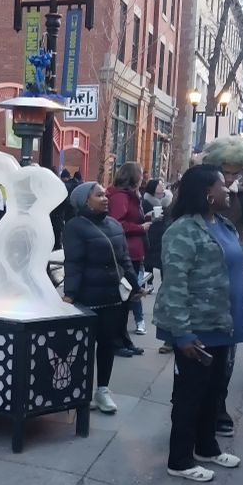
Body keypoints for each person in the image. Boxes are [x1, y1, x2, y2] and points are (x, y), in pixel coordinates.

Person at [152, 164, 243, 482]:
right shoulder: (182, 231)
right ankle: (179, 460)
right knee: (191, 394)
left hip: (223, 324)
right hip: (197, 328)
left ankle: (207, 447)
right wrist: (183, 333)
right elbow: (174, 285)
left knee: (214, 391)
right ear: (207, 193)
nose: (229, 190)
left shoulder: (224, 226)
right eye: (222, 185)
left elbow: (242, 258)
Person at [201, 136, 243, 437]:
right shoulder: (194, 192)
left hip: (232, 277)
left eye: (234, 173)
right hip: (201, 279)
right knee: (199, 348)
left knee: (226, 351)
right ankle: (193, 404)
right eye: (223, 172)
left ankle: (218, 405)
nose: (229, 179)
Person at [63, 181, 142, 413]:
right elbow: (73, 263)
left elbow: (125, 260)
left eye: (105, 194)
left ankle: (103, 391)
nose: (106, 198)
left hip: (114, 297)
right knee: (84, 347)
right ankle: (81, 392)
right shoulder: (75, 226)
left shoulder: (115, 225)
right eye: (99, 195)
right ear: (85, 200)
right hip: (87, 298)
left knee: (107, 345)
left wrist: (135, 286)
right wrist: (70, 294)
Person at [107, 162, 151, 347]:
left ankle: (123, 339)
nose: (143, 177)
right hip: (126, 252)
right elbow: (117, 223)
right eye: (141, 174)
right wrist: (140, 228)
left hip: (133, 252)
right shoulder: (121, 197)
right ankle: (118, 340)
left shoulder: (130, 196)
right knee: (123, 299)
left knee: (128, 299)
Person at [142, 178, 174, 353]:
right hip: (152, 236)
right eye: (160, 185)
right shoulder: (146, 200)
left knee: (165, 269)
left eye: (163, 184)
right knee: (148, 264)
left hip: (165, 237)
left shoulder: (169, 200)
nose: (162, 187)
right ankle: (148, 283)